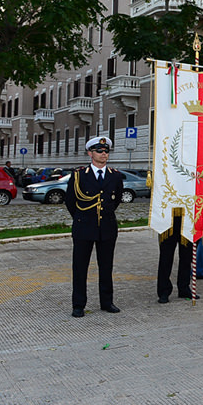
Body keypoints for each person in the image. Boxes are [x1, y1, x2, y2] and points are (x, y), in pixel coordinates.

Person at [66, 136, 125, 318]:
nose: (103, 154)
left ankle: (107, 302)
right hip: (84, 227)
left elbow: (116, 200)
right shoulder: (79, 175)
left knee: (106, 267)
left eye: (106, 151)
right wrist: (82, 218)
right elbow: (70, 201)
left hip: (107, 227)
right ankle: (78, 304)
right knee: (80, 267)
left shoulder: (115, 176)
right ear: (90, 153)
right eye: (99, 151)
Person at [157, 208, 196, 303]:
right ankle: (164, 291)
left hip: (187, 220)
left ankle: (184, 287)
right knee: (165, 258)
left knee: (186, 257)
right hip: (167, 221)